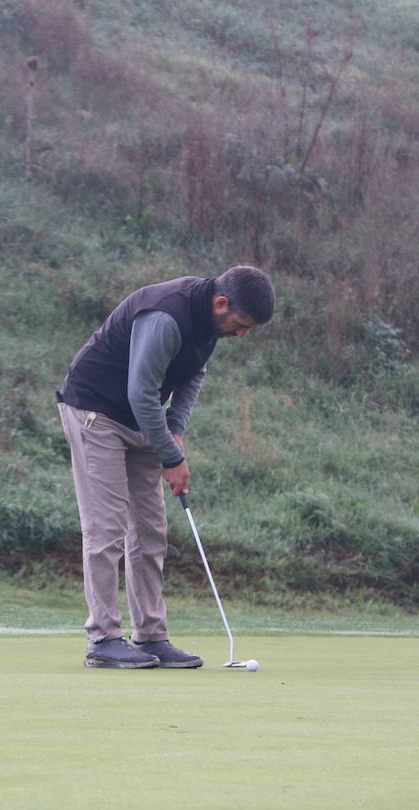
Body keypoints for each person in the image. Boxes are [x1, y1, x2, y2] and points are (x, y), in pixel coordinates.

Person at [57, 266, 275, 669]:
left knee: (149, 529)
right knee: (106, 528)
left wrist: (173, 431)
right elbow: (141, 393)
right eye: (240, 325)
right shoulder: (166, 316)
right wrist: (172, 459)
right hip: (95, 411)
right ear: (221, 303)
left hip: (140, 420)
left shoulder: (210, 324)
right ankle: (103, 639)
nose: (241, 335)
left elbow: (191, 379)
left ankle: (151, 636)